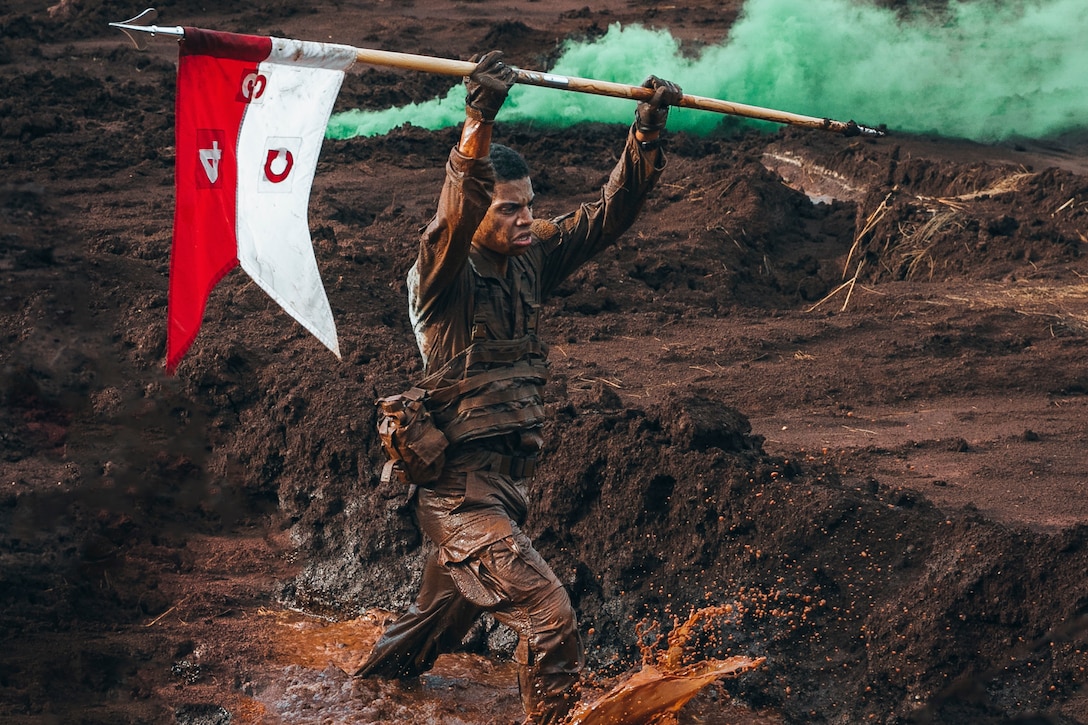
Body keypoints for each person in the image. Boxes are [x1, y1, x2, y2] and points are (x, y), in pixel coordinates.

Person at [355, 50, 682, 724]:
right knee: (549, 614)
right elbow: (452, 212)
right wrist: (477, 120)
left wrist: (645, 133)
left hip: (505, 491)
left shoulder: (532, 258)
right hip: (457, 499)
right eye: (508, 210)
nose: (524, 219)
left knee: (422, 637)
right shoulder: (441, 277)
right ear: (480, 212)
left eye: (529, 206)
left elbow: (607, 217)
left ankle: (362, 698)